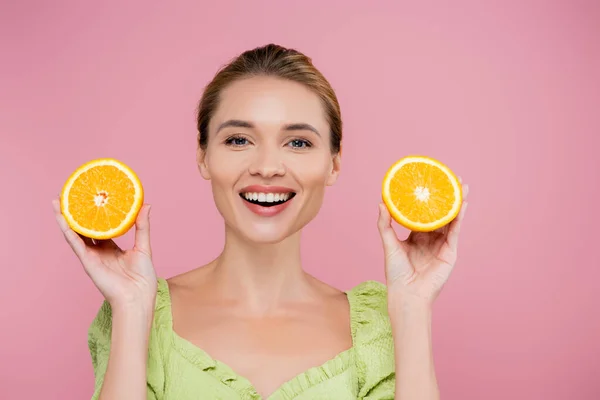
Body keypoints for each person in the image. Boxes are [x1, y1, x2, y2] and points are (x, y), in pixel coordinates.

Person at [52, 43, 469, 400]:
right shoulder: (139, 313)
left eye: (298, 142)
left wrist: (413, 308)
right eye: (238, 140)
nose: (268, 167)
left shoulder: (382, 325)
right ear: (203, 156)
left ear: (333, 164)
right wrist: (129, 306)